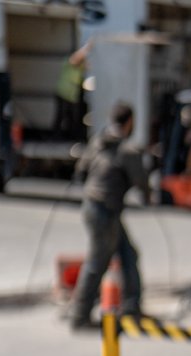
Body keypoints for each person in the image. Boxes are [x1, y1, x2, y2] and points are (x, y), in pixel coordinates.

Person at [69, 100, 143, 329]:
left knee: (128, 254)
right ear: (129, 122)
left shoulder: (97, 142)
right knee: (97, 262)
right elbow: (141, 180)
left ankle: (132, 307)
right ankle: (80, 316)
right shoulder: (127, 150)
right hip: (105, 212)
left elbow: (81, 171)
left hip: (93, 207)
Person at [52, 43, 89, 141]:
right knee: (61, 117)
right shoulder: (69, 62)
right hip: (63, 94)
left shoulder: (80, 69)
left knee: (73, 118)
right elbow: (76, 58)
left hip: (72, 96)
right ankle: (56, 138)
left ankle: (72, 137)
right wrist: (89, 46)